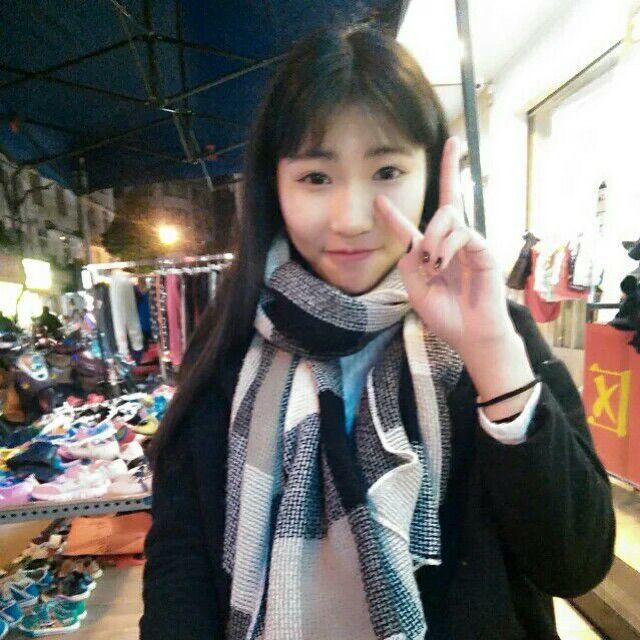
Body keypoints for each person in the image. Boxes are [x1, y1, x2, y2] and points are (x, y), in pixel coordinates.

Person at [141, 26, 614, 640]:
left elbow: (574, 563)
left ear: (430, 176)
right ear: (273, 186)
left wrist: (492, 354)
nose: (352, 218)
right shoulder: (229, 341)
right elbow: (179, 570)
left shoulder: (493, 329)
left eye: (387, 170)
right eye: (316, 177)